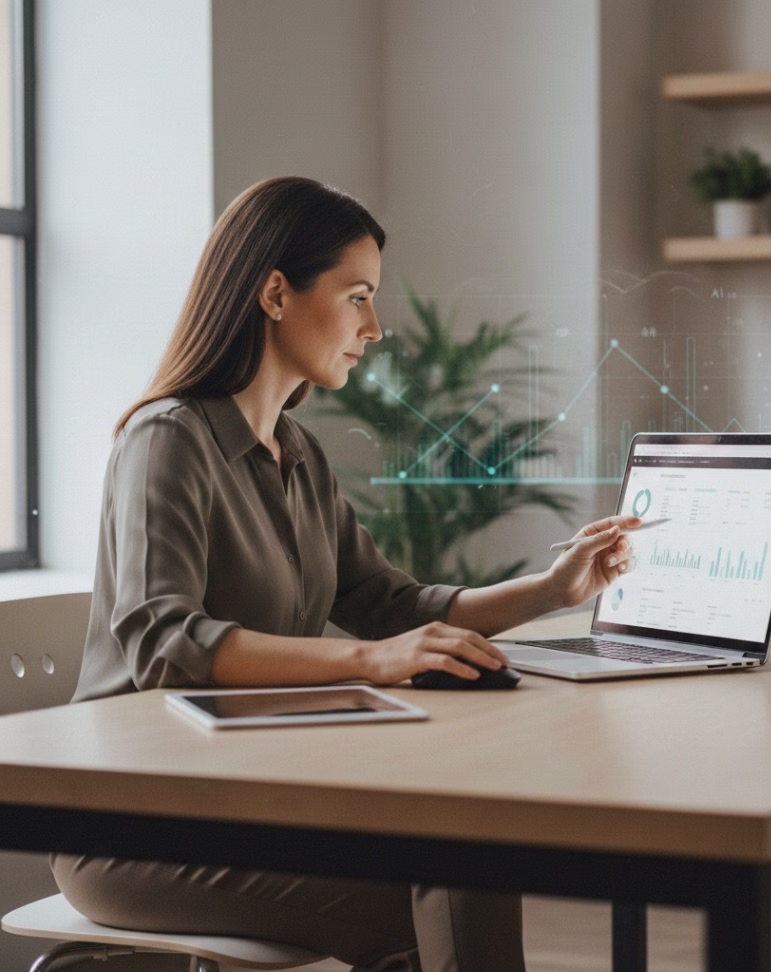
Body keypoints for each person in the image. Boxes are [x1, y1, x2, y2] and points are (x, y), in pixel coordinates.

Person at [51, 176, 639, 972]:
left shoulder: (296, 453)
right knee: (450, 885)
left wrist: (551, 590)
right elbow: (165, 645)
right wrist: (371, 660)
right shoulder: (166, 440)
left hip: (249, 796)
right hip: (137, 825)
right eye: (358, 297)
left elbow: (389, 605)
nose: (375, 326)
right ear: (275, 294)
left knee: (469, 854)